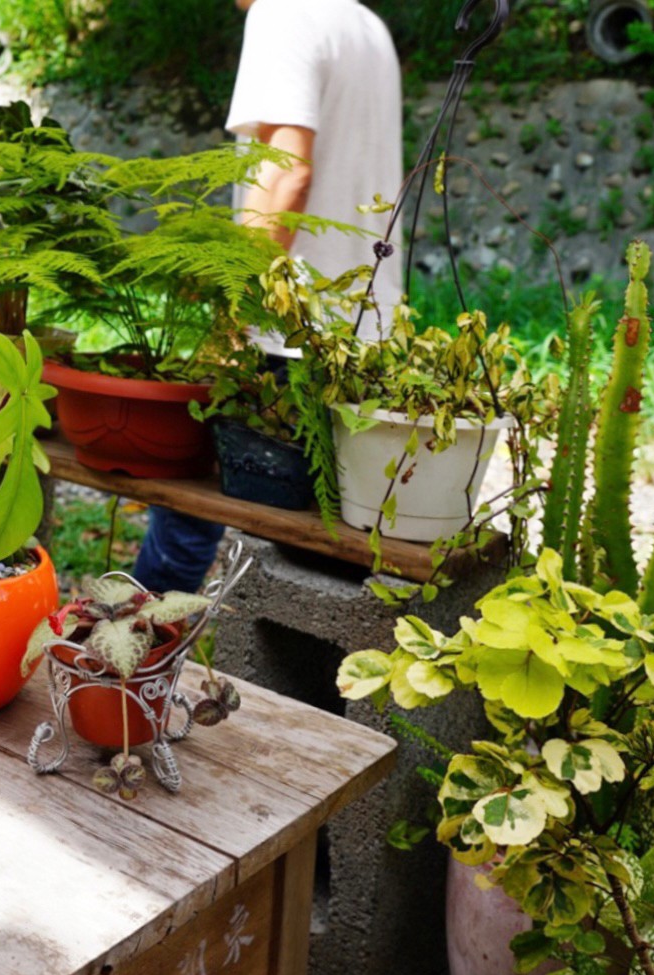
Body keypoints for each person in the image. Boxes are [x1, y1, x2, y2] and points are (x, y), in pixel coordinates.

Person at [131, 0, 403, 593]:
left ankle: (123, 659)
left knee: (186, 510)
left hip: (285, 333)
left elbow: (287, 173)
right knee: (329, 555)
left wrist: (236, 308)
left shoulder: (283, 13)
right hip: (365, 327)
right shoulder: (364, 25)